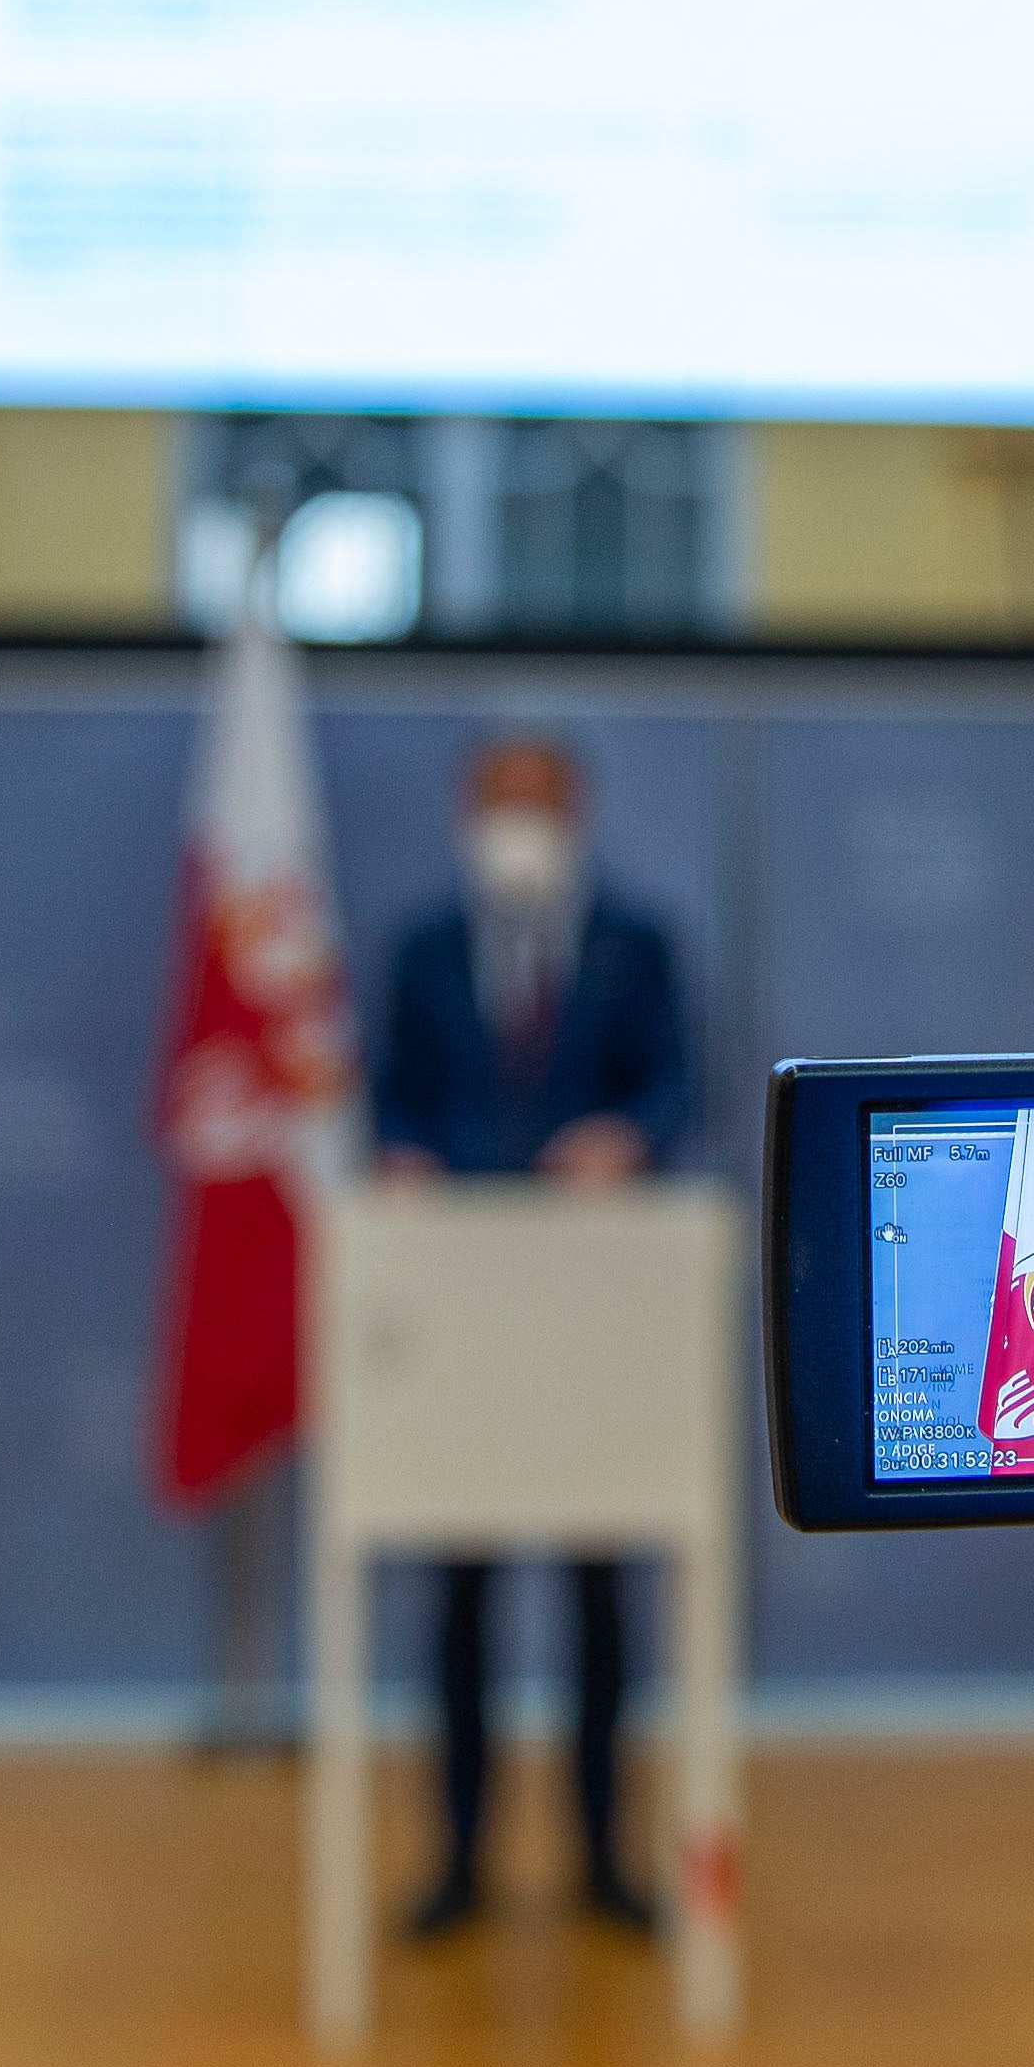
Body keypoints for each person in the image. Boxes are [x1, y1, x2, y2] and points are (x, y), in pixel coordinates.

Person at [369, 733, 691, 1941]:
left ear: (577, 811)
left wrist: (627, 1139)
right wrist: (402, 1156)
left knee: (602, 1601)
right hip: (462, 1322)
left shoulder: (636, 944)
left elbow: (676, 1085)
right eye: (498, 802)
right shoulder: (421, 949)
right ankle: (458, 1858)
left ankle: (605, 1856)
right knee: (459, 1602)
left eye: (537, 802)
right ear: (467, 813)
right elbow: (390, 1093)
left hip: (594, 1318)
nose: (518, 825)